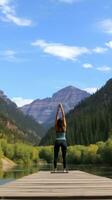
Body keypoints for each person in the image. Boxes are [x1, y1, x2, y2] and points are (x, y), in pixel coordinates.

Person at [53, 103, 67, 172]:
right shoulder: (64, 127)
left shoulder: (56, 127)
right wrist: (61, 108)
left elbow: (56, 117)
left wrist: (58, 109)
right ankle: (64, 169)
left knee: (55, 155)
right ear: (62, 122)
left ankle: (55, 169)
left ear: (57, 122)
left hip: (57, 141)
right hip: (63, 141)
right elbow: (63, 116)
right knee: (64, 156)